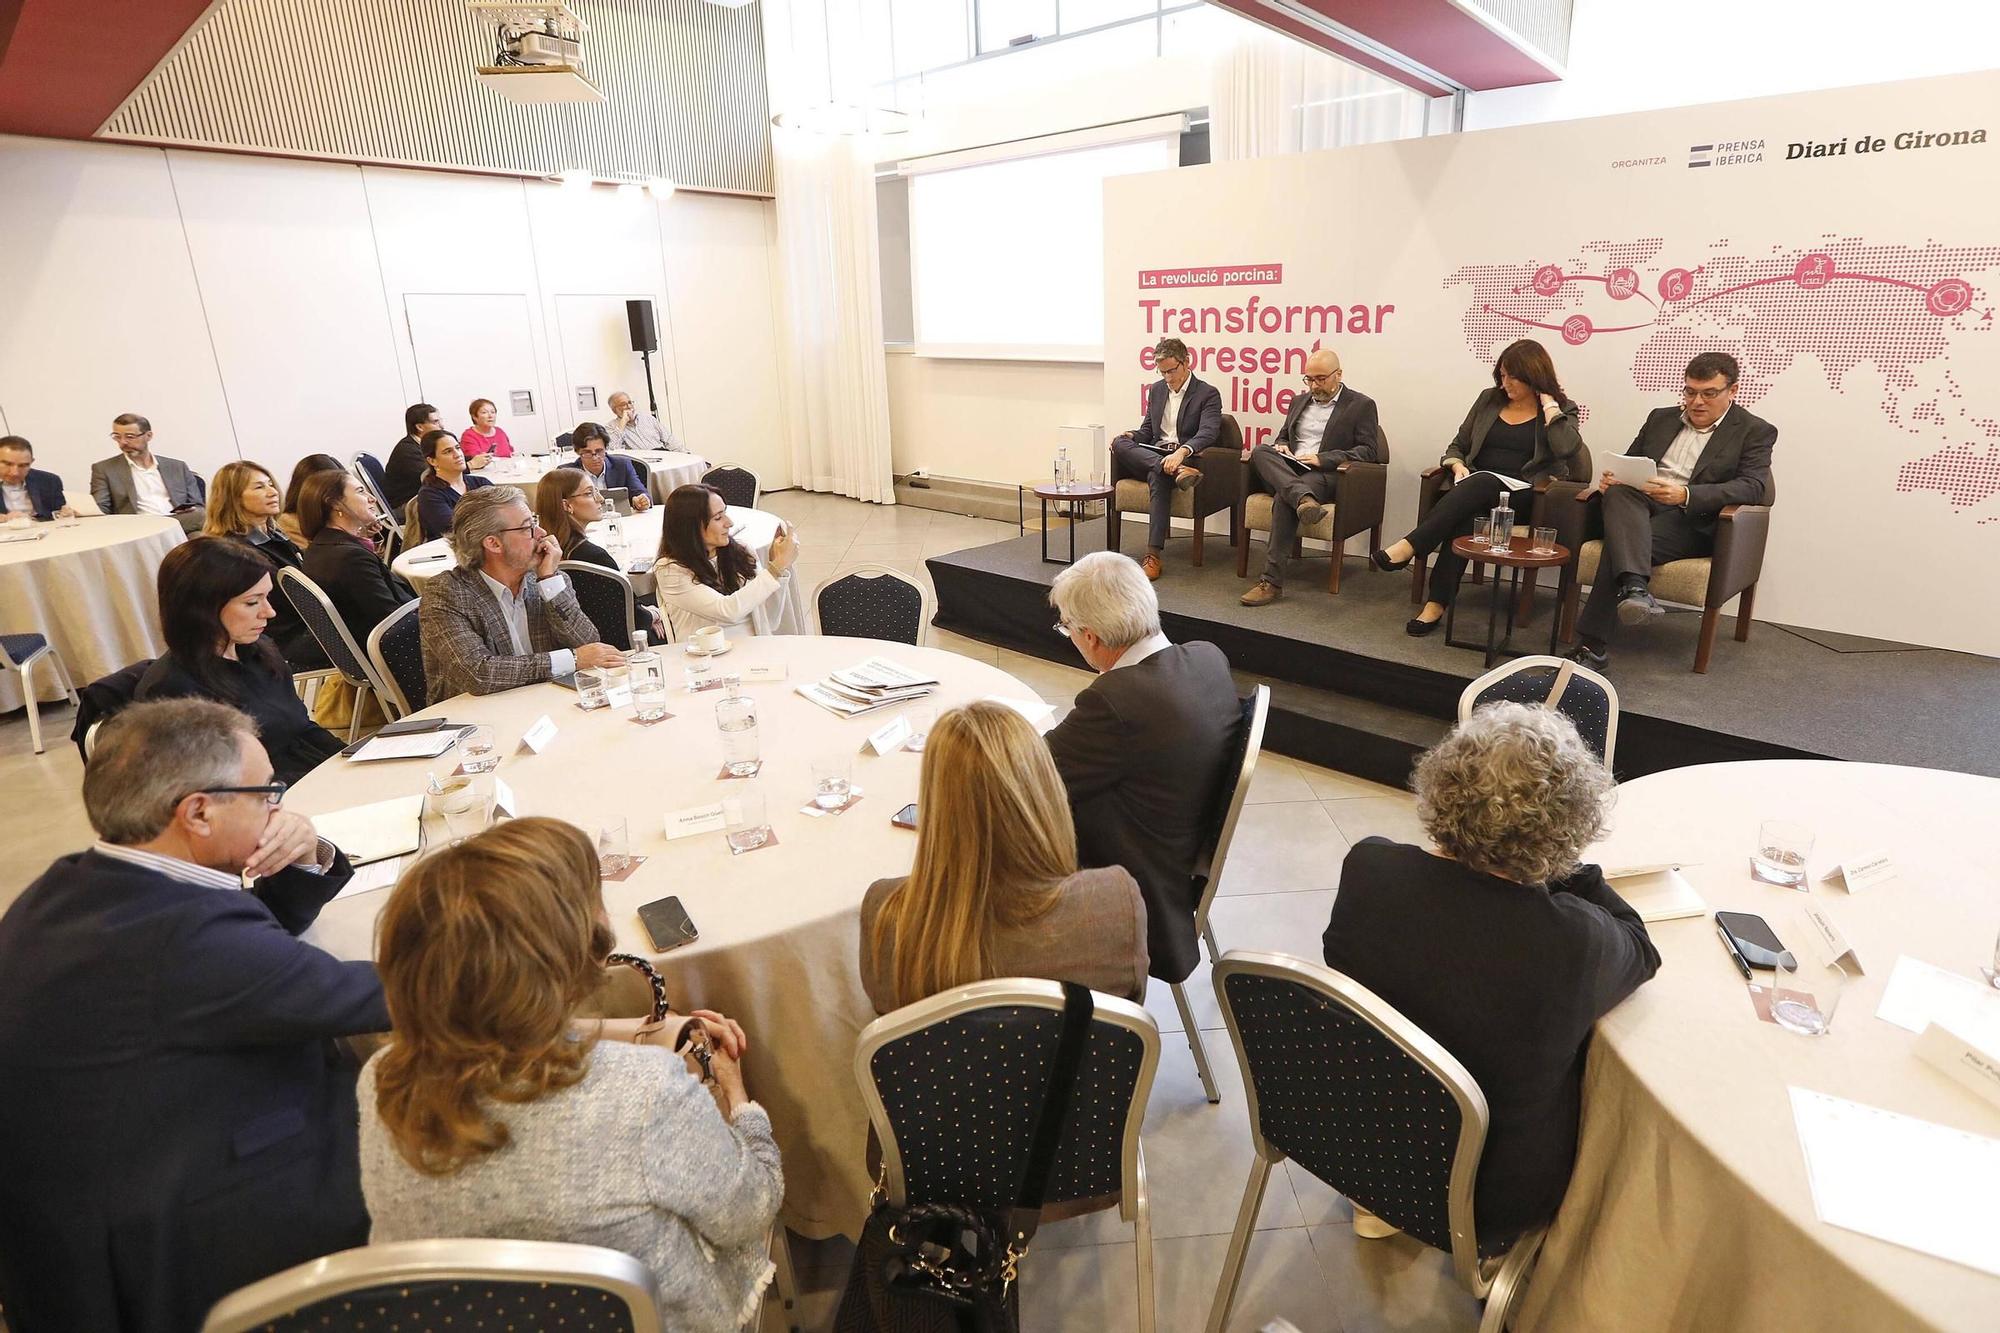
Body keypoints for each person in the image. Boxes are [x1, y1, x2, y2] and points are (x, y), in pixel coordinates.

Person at [0, 698, 389, 1333]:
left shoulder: (76, 885)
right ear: (198, 812)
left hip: (96, 1198)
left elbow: (245, 957)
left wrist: (309, 850)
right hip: (171, 1239)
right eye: (266, 791)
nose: (278, 807)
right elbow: (385, 998)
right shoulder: (184, 943)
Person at [359, 818, 782, 1333]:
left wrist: (643, 1032)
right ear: (576, 946)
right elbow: (752, 1209)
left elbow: (500, 1039)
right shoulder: (645, 1095)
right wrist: (736, 1094)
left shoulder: (381, 1078)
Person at [1322, 703, 1658, 1247]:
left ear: (1441, 787)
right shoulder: (1573, 943)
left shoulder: (1369, 869)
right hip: (1485, 1196)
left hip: (1355, 1138)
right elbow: (1640, 946)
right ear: (1571, 826)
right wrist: (1567, 869)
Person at [862, 701, 1148, 1014]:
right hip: (1077, 1062)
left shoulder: (888, 917)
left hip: (954, 1063)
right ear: (1046, 792)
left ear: (936, 808)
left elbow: (890, 1034)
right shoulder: (1116, 902)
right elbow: (1127, 1018)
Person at [1044, 551, 1239, 983]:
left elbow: (1030, 775)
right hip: (1180, 856)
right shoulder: (1208, 658)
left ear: (1091, 637)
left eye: (1068, 629)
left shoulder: (1115, 702)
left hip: (1133, 882)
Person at [1568, 351, 1777, 670]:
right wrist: (1614, 477)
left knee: (1619, 545)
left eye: (1709, 393)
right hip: (1640, 506)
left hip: (1693, 520)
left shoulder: (1754, 430)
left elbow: (1753, 487)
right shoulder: (1660, 418)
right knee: (1620, 493)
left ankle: (1593, 644)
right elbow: (1632, 460)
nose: (1697, 402)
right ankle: (1635, 589)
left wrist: (1685, 494)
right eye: (1690, 392)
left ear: (1732, 391)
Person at [1370, 339, 1585, 637]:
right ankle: (1436, 604)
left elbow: (1567, 449)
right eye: (1502, 375)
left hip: (1527, 496)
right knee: (1466, 518)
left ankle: (1411, 545)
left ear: (1533, 376)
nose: (1504, 383)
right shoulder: (1489, 400)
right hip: (1476, 491)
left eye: (1512, 377)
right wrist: (1457, 464)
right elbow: (1458, 444)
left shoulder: (1561, 408)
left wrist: (1548, 403)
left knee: (1483, 480)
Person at [137, 537, 346, 782]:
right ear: (201, 607)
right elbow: (216, 784)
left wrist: (352, 758)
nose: (269, 612)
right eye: (252, 602)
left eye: (267, 598)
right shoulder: (173, 689)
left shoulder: (259, 650)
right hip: (266, 798)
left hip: (308, 776)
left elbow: (302, 727)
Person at [418, 487, 623, 702]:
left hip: (545, 705)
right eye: (528, 527)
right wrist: (571, 659)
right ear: (493, 543)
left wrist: (549, 581)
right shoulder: (446, 593)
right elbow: (479, 674)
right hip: (477, 721)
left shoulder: (544, 580)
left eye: (535, 521)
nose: (542, 533)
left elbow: (587, 642)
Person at [1238, 349, 1385, 606]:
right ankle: (1303, 498)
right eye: (1309, 379)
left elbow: (1368, 451)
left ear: (1338, 375)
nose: (1314, 385)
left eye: (1320, 379)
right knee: (1262, 450)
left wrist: (1323, 459)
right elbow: (1283, 435)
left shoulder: (1361, 405)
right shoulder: (1299, 401)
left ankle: (1271, 583)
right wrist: (1282, 446)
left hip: (1322, 473)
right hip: (1290, 467)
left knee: (1285, 499)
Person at [1109, 337, 1223, 581]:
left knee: (1157, 475)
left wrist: (1181, 452)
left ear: (1186, 362)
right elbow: (1148, 430)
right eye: (1163, 372)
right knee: (1120, 442)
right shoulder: (1157, 389)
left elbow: (1208, 432)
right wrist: (1132, 435)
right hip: (1158, 456)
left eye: (1172, 370)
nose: (1168, 378)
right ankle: (1171, 469)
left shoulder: (1207, 394)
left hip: (1183, 457)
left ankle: (1152, 555)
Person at [202, 460, 332, 673]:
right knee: (372, 636)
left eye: (270, 484)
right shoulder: (237, 553)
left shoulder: (274, 535)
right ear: (233, 498)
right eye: (259, 487)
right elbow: (289, 603)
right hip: (286, 641)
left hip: (308, 625)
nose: (272, 492)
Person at [654, 483, 799, 642]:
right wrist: (775, 569)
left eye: (725, 513)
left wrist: (776, 567)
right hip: (705, 658)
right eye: (718, 517)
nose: (729, 523)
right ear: (691, 526)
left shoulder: (742, 551)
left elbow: (770, 620)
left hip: (755, 650)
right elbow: (727, 611)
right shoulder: (670, 570)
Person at [300, 468, 415, 641]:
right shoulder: (350, 558)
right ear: (335, 504)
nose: (372, 498)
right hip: (394, 647)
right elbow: (393, 620)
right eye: (361, 491)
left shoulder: (321, 545)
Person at [89, 412, 207, 532]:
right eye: (117, 437)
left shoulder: (177, 467)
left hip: (179, 522)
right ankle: (161, 530)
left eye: (129, 437)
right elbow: (100, 510)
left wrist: (190, 509)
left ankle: (164, 530)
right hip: (138, 526)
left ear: (148, 436)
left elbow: (198, 506)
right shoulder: (104, 469)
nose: (123, 442)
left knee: (201, 524)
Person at [415, 429, 494, 542]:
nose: (457, 455)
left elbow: (506, 511)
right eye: (448, 451)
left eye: (457, 448)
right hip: (452, 551)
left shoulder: (481, 483)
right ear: (432, 461)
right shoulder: (430, 494)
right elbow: (454, 530)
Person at [535, 465, 618, 570]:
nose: (600, 499)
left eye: (596, 491)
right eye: (589, 493)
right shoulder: (596, 558)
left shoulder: (538, 553)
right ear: (566, 505)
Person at [564, 420, 653, 509]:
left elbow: (641, 493)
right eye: (587, 453)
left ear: (606, 448)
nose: (595, 458)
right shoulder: (567, 474)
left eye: (599, 451)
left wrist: (642, 501)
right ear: (577, 452)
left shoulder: (622, 465)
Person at [0, 434, 73, 520]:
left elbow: (58, 514)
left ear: (31, 462)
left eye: (23, 465)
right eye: (8, 464)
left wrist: (66, 513)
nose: (14, 473)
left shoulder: (49, 481)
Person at [384, 402, 441, 512]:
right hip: (406, 504)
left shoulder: (425, 444)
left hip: (422, 495)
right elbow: (434, 474)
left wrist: (471, 459)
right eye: (435, 422)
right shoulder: (407, 451)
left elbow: (444, 456)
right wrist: (469, 465)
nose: (441, 426)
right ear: (420, 427)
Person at [607, 389, 684, 453]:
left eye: (630, 402)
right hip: (642, 465)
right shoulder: (610, 427)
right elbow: (613, 451)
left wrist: (685, 454)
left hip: (663, 455)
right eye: (623, 404)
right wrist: (623, 423)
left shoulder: (648, 419)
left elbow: (669, 440)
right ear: (614, 410)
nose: (629, 406)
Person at [459, 397, 512, 462]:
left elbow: (511, 453)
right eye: (484, 412)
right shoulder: (468, 436)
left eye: (493, 412)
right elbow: (476, 460)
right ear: (474, 416)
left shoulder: (500, 432)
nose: (490, 416)